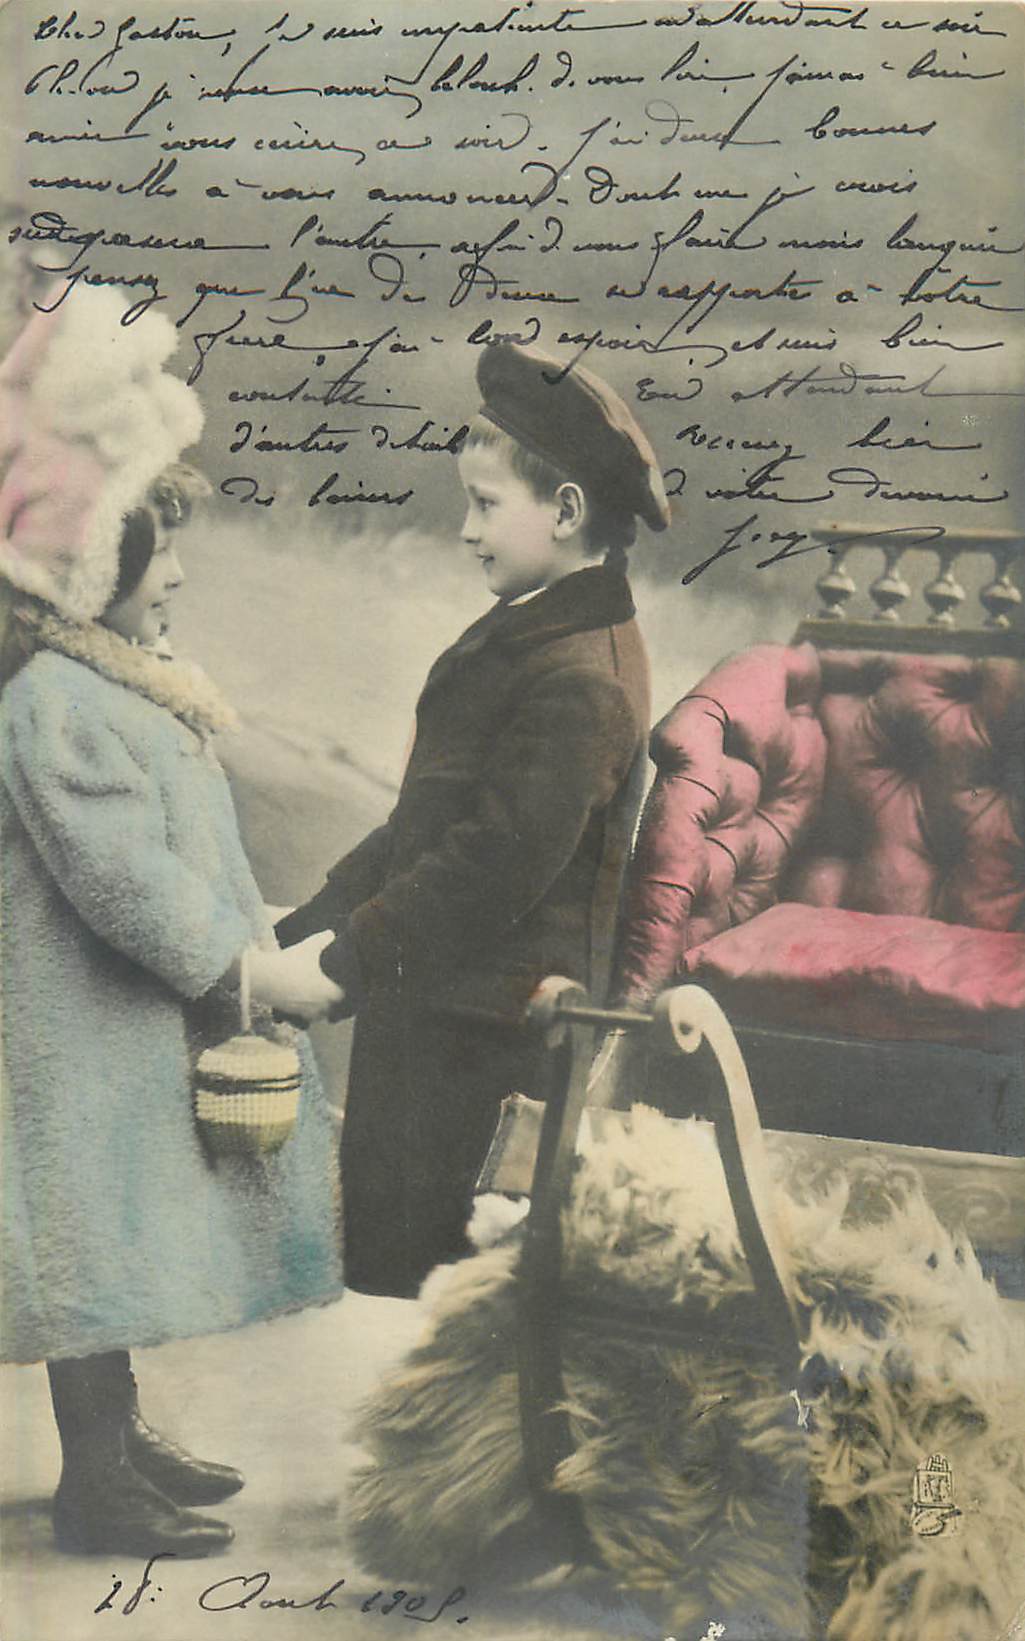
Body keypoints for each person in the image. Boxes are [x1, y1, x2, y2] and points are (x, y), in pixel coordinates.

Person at [0, 285, 343, 1559]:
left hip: (118, 1025)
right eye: (159, 553)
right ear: (95, 568)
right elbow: (123, 877)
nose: (182, 575)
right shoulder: (52, 701)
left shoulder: (115, 682)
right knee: (89, 1242)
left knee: (121, 1231)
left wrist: (243, 940)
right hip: (71, 1031)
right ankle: (94, 1481)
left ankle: (121, 1435)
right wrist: (244, 967)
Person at [277, 341, 669, 1299]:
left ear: (565, 511)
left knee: (440, 1299)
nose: (465, 530)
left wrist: (341, 963)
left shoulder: (583, 677)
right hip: (440, 1018)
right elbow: (427, 821)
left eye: (486, 505)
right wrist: (305, 927)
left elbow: (488, 866)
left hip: (487, 1046)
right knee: (391, 1274)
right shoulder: (539, 628)